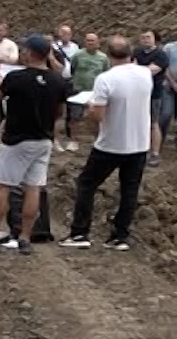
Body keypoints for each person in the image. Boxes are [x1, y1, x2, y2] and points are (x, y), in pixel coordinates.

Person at [0, 35, 68, 255]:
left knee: (2, 186)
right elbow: (60, 113)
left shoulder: (16, 78)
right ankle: (25, 238)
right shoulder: (58, 81)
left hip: (16, 139)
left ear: (28, 53)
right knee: (33, 187)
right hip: (43, 139)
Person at [63, 35, 153, 250]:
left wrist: (91, 110)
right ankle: (120, 235)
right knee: (129, 190)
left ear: (109, 55)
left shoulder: (106, 78)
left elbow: (98, 114)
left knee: (87, 184)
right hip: (139, 142)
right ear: (131, 53)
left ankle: (80, 233)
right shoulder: (145, 74)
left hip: (111, 143)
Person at [65, 32, 107, 151]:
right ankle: (73, 140)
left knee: (95, 117)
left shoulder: (103, 58)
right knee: (75, 116)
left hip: (95, 92)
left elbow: (105, 72)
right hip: (78, 89)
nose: (90, 43)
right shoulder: (78, 55)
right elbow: (72, 69)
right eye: (88, 40)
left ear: (98, 42)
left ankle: (97, 140)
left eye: (93, 40)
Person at [132, 30, 168, 166]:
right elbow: (131, 67)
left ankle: (155, 153)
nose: (145, 40)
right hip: (136, 93)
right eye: (143, 37)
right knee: (138, 122)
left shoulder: (161, 54)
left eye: (148, 37)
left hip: (154, 93)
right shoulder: (136, 52)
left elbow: (152, 71)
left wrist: (137, 69)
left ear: (155, 39)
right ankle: (140, 150)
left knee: (153, 123)